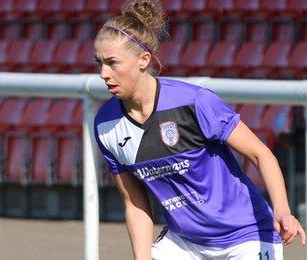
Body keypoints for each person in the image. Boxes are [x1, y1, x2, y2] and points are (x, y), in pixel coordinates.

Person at [92, 0, 305, 259]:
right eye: (99, 62)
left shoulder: (194, 103)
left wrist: (282, 211)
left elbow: (262, 154)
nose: (103, 73)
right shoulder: (106, 124)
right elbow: (135, 205)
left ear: (143, 60)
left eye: (112, 62)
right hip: (186, 244)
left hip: (246, 236)